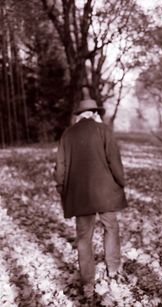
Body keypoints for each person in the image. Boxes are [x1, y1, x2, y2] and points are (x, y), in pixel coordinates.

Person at [55, 98, 127, 300]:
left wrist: (62, 191)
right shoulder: (103, 130)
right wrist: (121, 183)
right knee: (111, 228)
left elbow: (60, 169)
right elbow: (115, 161)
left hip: (80, 195)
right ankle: (113, 271)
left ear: (79, 115)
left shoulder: (67, 135)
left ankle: (88, 283)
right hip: (105, 192)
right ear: (95, 113)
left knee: (84, 238)